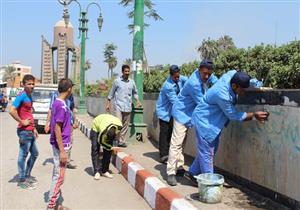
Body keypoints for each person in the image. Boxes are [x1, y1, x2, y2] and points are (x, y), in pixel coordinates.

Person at [188, 70, 269, 179]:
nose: (244, 92)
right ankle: (210, 187)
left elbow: (248, 81)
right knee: (207, 154)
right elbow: (234, 115)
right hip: (205, 122)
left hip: (214, 122)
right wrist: (254, 116)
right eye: (242, 90)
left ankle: (192, 172)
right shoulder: (222, 94)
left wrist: (258, 84)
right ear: (234, 86)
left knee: (208, 151)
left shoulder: (233, 75)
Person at [166, 59, 218, 186]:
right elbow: (203, 103)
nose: (207, 76)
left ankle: (178, 167)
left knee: (182, 142)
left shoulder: (206, 76)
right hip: (181, 114)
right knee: (176, 143)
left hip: (190, 115)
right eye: (205, 73)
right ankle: (170, 172)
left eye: (209, 74)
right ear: (199, 70)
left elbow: (216, 82)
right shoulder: (194, 83)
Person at [47, 78, 74, 210]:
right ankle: (51, 206)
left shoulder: (59, 102)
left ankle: (56, 204)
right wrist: (63, 151)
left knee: (57, 174)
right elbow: (57, 128)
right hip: (61, 146)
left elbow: (60, 125)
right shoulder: (61, 105)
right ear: (69, 89)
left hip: (61, 144)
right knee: (59, 177)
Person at [9, 74, 39, 190]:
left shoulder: (29, 95)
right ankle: (22, 180)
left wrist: (34, 128)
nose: (31, 86)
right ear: (23, 84)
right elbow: (12, 110)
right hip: (24, 131)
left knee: (35, 153)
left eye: (33, 84)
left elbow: (29, 114)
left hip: (30, 131)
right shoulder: (21, 96)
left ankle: (26, 175)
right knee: (23, 155)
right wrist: (22, 121)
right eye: (29, 84)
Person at [156, 65, 188, 163]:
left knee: (170, 133)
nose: (177, 78)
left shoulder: (180, 78)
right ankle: (163, 155)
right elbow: (175, 101)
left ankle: (169, 153)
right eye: (175, 77)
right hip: (165, 112)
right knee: (165, 133)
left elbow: (188, 81)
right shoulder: (168, 86)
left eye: (178, 76)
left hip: (172, 112)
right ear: (171, 75)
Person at [106, 64, 142, 147]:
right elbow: (111, 93)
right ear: (122, 72)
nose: (127, 73)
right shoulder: (117, 81)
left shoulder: (132, 82)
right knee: (118, 123)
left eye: (128, 71)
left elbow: (135, 93)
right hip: (118, 106)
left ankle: (121, 141)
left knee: (125, 125)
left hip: (128, 106)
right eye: (125, 71)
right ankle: (115, 138)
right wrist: (108, 103)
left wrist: (138, 101)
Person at [45, 91, 78, 169]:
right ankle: (59, 161)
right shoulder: (55, 95)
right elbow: (51, 109)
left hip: (69, 123)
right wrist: (47, 123)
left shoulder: (71, 96)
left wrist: (75, 120)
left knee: (69, 142)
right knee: (58, 140)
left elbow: (72, 109)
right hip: (59, 122)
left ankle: (67, 161)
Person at [90, 114, 122, 180]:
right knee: (95, 148)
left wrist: (113, 147)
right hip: (96, 126)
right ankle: (96, 171)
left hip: (107, 121)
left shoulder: (119, 126)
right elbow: (101, 142)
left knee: (108, 150)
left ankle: (105, 170)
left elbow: (116, 138)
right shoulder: (103, 130)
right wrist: (110, 147)